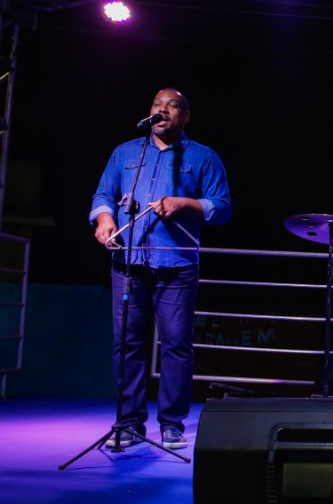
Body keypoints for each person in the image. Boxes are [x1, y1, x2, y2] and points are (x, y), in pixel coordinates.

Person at [90, 88, 231, 450]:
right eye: (157, 105)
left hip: (177, 264)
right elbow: (103, 195)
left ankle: (171, 424)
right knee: (127, 344)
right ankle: (128, 423)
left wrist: (186, 204)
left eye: (172, 106)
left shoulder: (203, 156)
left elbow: (221, 207)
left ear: (186, 116)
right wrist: (104, 219)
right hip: (128, 261)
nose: (163, 110)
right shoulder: (125, 153)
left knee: (176, 345)